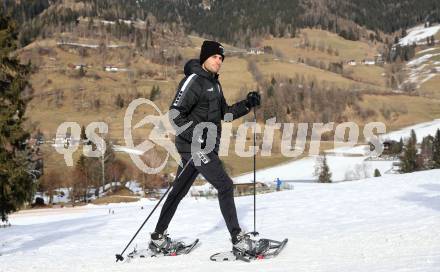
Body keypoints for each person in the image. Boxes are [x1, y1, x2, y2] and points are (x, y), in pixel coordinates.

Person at [149, 40, 261, 254]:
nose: (218, 61)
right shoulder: (194, 80)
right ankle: (238, 240)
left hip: (204, 146)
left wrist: (247, 105)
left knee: (178, 191)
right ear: (204, 58)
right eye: (214, 57)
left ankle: (158, 238)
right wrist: (196, 138)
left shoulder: (214, 84)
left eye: (221, 58)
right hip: (195, 147)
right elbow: (175, 114)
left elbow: (224, 114)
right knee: (225, 185)